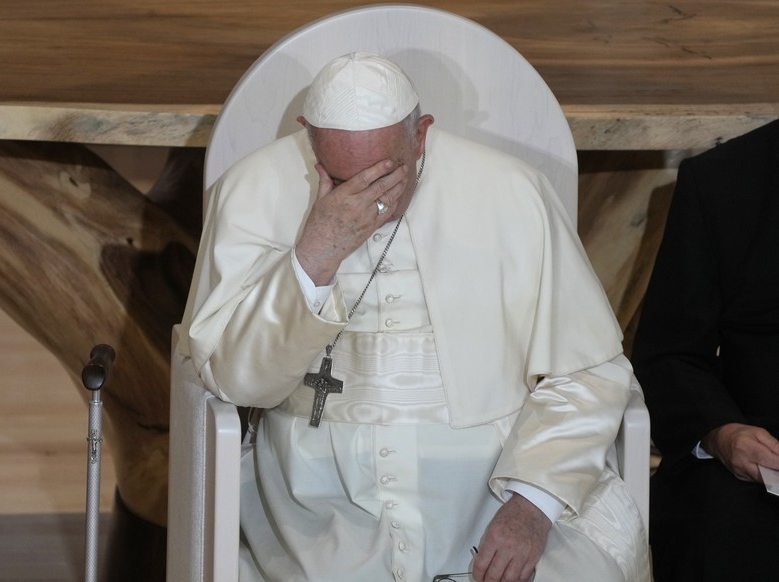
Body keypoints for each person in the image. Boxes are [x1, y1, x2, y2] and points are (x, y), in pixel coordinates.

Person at [181, 52, 649, 581]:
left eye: (385, 176)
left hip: (493, 484)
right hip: (314, 504)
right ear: (306, 135)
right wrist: (315, 254)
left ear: (421, 135)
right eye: (339, 178)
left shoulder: (512, 191)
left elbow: (591, 371)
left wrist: (532, 505)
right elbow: (238, 380)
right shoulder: (251, 190)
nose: (367, 203)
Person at [632, 119, 779, 581]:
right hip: (759, 451)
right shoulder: (723, 180)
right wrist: (722, 432)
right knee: (718, 529)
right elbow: (668, 354)